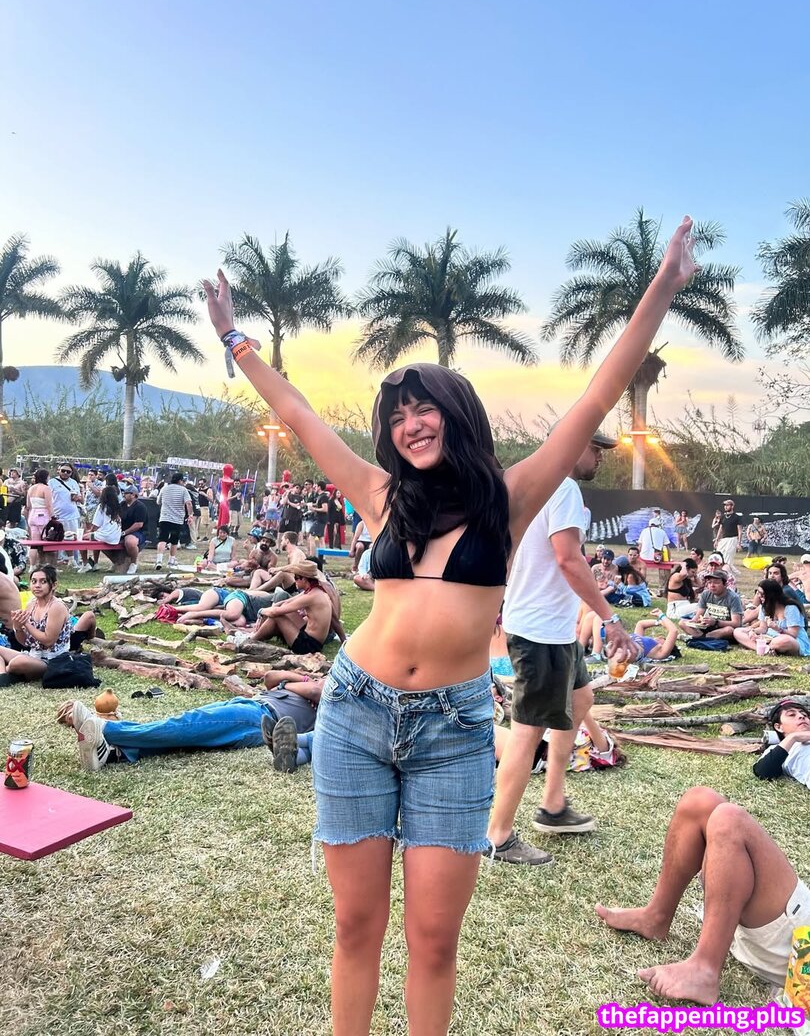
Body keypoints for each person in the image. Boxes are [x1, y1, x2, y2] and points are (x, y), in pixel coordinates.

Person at [203, 215, 697, 1036]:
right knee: (356, 926)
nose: (411, 424)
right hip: (357, 712)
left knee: (433, 941)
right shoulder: (382, 496)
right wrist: (234, 337)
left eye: (424, 408)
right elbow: (298, 415)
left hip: (454, 730)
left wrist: (666, 286)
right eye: (397, 415)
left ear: (456, 415)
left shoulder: (510, 497)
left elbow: (596, 396)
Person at [488, 430, 635, 865]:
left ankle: (553, 804)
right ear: (570, 445)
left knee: (580, 699)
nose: (600, 458)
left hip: (549, 628)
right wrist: (610, 620)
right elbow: (568, 558)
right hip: (540, 632)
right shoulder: (564, 488)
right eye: (595, 449)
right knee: (527, 730)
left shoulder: (535, 486)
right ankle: (498, 835)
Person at [596, 786, 810, 1004]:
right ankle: (656, 916)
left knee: (730, 821)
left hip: (802, 949)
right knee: (699, 802)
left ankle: (704, 969)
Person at [57, 668, 323, 771]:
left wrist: (309, 685)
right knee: (187, 734)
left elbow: (315, 691)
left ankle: (106, 729)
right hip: (250, 706)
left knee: (186, 724)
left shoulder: (329, 696)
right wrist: (302, 678)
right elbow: (270, 677)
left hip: (259, 717)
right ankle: (114, 754)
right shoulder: (310, 684)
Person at [250, 561, 334, 654]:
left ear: (304, 579)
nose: (294, 581)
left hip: (309, 646)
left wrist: (261, 611)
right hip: (311, 637)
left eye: (296, 578)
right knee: (282, 610)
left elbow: (275, 613)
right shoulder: (315, 590)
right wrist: (274, 606)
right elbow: (287, 602)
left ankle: (253, 639)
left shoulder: (311, 596)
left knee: (277, 616)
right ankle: (259, 634)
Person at [732, 579, 810, 657]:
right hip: (770, 637)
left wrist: (777, 629)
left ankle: (766, 647)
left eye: (762, 594)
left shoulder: (791, 608)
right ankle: (762, 649)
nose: (759, 596)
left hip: (791, 640)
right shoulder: (764, 606)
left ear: (771, 595)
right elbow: (763, 629)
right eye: (758, 593)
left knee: (784, 641)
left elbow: (793, 634)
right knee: (738, 631)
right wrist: (752, 631)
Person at [753, 698, 810, 788]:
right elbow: (763, 771)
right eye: (791, 715)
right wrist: (793, 737)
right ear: (779, 727)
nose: (801, 716)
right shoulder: (778, 750)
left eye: (805, 715)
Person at [678, 569, 743, 642]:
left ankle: (700, 638)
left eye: (716, 582)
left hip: (724, 627)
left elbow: (736, 623)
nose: (712, 585)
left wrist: (716, 622)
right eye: (709, 582)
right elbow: (698, 616)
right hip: (709, 627)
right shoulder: (706, 594)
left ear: (725, 584)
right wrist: (694, 621)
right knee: (682, 622)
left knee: (729, 630)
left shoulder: (733, 598)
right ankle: (704, 638)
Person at [78, 484, 123, 572]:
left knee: (81, 539)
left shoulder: (101, 507)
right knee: (95, 537)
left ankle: (85, 564)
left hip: (106, 535)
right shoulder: (118, 507)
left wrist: (88, 532)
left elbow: (95, 525)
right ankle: (95, 563)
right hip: (116, 536)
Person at [49, 461, 82, 569]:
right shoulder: (52, 482)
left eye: (68, 472)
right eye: (63, 471)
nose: (65, 473)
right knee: (55, 539)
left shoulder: (74, 483)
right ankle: (56, 561)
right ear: (58, 471)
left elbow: (80, 498)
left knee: (72, 538)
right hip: (57, 515)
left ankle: (73, 560)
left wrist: (77, 497)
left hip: (72, 515)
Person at [156, 472, 192, 569]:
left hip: (164, 518)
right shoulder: (183, 490)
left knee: (162, 539)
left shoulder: (164, 488)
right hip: (177, 519)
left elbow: (158, 501)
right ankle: (171, 561)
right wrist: (190, 515)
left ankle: (159, 560)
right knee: (174, 540)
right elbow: (188, 503)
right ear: (180, 481)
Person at [120, 485, 148, 575]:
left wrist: (124, 533)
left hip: (138, 532)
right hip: (121, 531)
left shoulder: (140, 507)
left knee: (130, 542)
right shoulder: (122, 505)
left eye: (126, 493)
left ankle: (133, 563)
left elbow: (139, 524)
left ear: (133, 495)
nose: (124, 495)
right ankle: (117, 562)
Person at [715, 498, 742, 572]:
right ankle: (720, 570)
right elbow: (720, 529)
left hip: (733, 539)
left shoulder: (736, 517)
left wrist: (739, 543)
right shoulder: (723, 517)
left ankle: (727, 572)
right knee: (719, 554)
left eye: (727, 505)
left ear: (732, 506)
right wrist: (717, 540)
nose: (725, 507)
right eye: (725, 505)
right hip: (724, 539)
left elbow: (740, 530)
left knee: (728, 557)